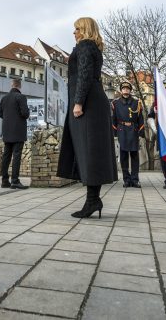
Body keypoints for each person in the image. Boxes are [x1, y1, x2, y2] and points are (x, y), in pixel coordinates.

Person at [57, 17, 117, 218]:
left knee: (88, 151)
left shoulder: (84, 46)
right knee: (92, 151)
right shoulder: (94, 48)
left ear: (84, 29)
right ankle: (93, 200)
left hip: (88, 104)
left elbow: (84, 75)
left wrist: (78, 103)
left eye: (76, 29)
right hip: (95, 102)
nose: (73, 32)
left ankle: (92, 201)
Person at [111, 81, 145, 188]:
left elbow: (140, 118)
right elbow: (113, 119)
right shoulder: (115, 104)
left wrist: (141, 131)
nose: (125, 90)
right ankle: (126, 179)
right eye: (123, 89)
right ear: (121, 90)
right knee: (124, 156)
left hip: (133, 130)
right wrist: (114, 132)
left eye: (127, 89)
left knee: (135, 156)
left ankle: (135, 180)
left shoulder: (136, 103)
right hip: (122, 130)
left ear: (130, 90)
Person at [0, 78, 30, 190]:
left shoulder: (4, 98)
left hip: (6, 131)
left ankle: (4, 181)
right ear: (19, 86)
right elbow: (25, 113)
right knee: (16, 155)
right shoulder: (21, 97)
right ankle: (15, 181)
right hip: (18, 131)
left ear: (11, 85)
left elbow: (1, 114)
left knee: (6, 156)